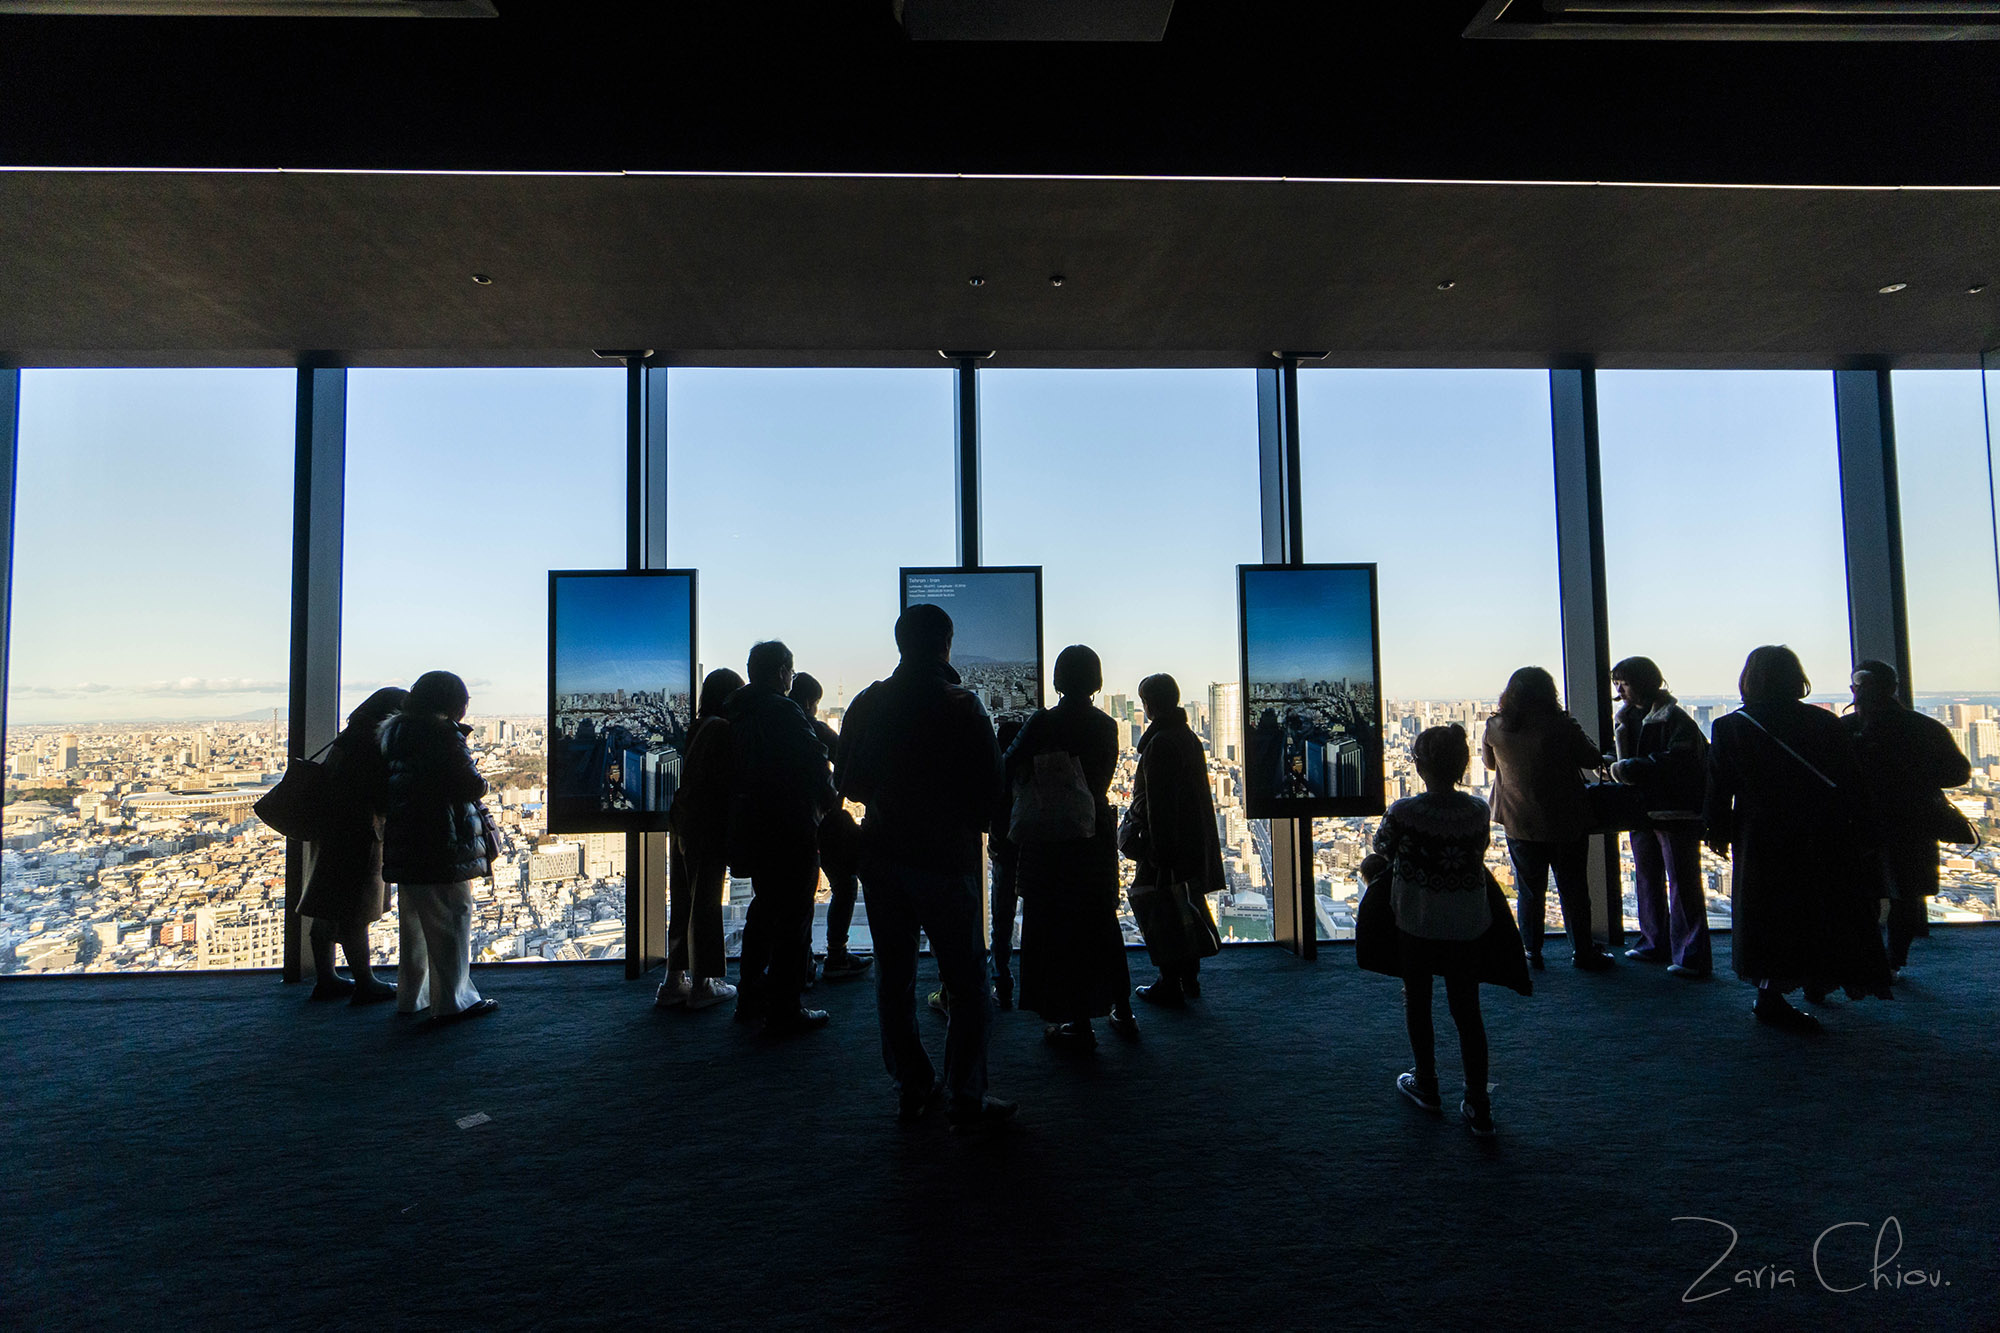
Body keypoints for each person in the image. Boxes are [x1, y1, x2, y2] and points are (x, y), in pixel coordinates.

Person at [837, 602, 1014, 1129]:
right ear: (946, 645)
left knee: (894, 975)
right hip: (944, 857)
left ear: (900, 645)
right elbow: (991, 795)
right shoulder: (964, 706)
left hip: (883, 853)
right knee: (966, 978)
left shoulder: (868, 702)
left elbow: (848, 781)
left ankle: (912, 1085)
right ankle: (967, 1093)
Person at [1705, 645, 1892, 1031]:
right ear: (1797, 678)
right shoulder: (1823, 724)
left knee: (1770, 915)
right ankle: (1818, 977)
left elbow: (1720, 789)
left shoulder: (1731, 727)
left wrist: (1718, 833)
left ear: (1749, 679)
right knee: (1819, 905)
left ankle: (1770, 993)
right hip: (1822, 830)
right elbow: (1852, 783)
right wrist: (1866, 831)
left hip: (1763, 836)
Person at [1008, 644, 1136, 1049]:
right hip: (1092, 832)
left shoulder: (1043, 723)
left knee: (1055, 926)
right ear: (1096, 680)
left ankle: (1077, 1021)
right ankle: (1123, 1009)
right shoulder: (1105, 726)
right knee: (1100, 921)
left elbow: (1008, 763)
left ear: (1058, 679)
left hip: (1050, 838)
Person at [1374, 724, 1497, 1138]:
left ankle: (1427, 1083)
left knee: (1418, 1001)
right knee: (1468, 1011)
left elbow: (1382, 849)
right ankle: (1478, 1100)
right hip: (1466, 921)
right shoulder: (1478, 810)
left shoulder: (1405, 811)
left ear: (1421, 766)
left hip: (1418, 921)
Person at [725, 640, 838, 1035]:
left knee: (763, 910)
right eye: (790, 670)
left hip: (753, 826)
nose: (792, 677)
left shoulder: (736, 711)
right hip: (790, 824)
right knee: (794, 917)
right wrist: (828, 803)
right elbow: (814, 761)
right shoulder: (783, 710)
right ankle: (785, 1008)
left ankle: (750, 996)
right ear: (781, 673)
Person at [381, 670, 498, 1024]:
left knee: (415, 920)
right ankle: (452, 1001)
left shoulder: (397, 731)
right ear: (451, 703)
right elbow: (470, 785)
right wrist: (485, 783)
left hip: (407, 836)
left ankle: (413, 996)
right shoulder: (441, 734)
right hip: (440, 838)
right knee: (451, 916)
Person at [1843, 658, 1971, 978]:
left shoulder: (1843, 730)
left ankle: (1866, 957)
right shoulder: (1925, 728)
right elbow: (1958, 773)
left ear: (1856, 690)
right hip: (1913, 822)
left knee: (1861, 893)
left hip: (1857, 823)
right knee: (1906, 894)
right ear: (1894, 688)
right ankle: (1893, 960)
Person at [1482, 666, 1614, 972]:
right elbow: (1591, 759)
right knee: (1573, 889)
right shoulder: (1560, 725)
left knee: (1530, 890)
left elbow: (1490, 764)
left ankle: (1532, 950)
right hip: (1565, 819)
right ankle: (1582, 951)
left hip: (1518, 819)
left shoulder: (1496, 727)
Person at [298, 686, 407, 1006]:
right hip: (359, 833)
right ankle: (365, 981)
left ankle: (327, 977)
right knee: (355, 911)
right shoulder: (372, 744)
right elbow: (379, 795)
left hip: (330, 831)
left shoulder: (347, 738)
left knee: (327, 904)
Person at [1120, 673, 1223, 1008]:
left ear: (1151, 704)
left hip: (1168, 846)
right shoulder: (1188, 737)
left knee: (1163, 911)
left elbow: (1160, 805)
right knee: (1185, 908)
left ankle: (1169, 982)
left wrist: (1158, 851)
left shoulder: (1161, 743)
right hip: (1191, 842)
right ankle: (1189, 979)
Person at [1607, 656, 1713, 978]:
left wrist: (1628, 768)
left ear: (1642, 682)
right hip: (1645, 810)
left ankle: (1689, 954)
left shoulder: (1675, 719)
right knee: (1649, 877)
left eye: (1624, 683)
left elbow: (1678, 762)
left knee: (1681, 881)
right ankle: (1659, 943)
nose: (1621, 691)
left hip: (1672, 810)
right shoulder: (1634, 718)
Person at [655, 668, 744, 1011]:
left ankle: (673, 981)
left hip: (684, 819)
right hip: (706, 822)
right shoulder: (722, 729)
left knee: (683, 900)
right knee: (705, 902)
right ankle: (704, 983)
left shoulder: (699, 725)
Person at [790, 671, 871, 981]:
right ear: (812, 702)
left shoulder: (773, 727)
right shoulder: (814, 729)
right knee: (844, 884)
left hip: (783, 822)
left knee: (791, 898)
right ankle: (836, 954)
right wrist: (837, 797)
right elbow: (846, 758)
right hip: (821, 820)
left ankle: (800, 964)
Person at [988, 715, 1024, 1011]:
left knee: (1002, 920)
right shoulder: (1031, 771)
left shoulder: (996, 773)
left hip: (1004, 854)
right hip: (1033, 851)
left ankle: (1002, 983)